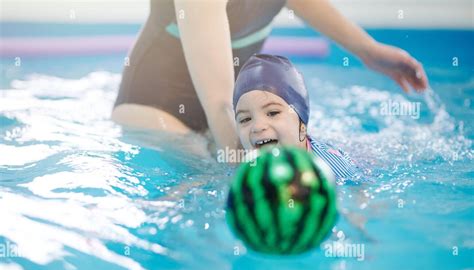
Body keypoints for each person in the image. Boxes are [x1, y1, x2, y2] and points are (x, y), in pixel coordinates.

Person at [112, 0, 428, 154]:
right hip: (157, 108)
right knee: (206, 187)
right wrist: (244, 174)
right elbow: (220, 103)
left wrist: (368, 50)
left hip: (235, 113)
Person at [233, 53, 359, 181]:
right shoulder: (245, 167)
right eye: (245, 119)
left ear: (302, 126)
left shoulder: (330, 168)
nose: (258, 127)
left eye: (273, 113)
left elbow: (359, 191)